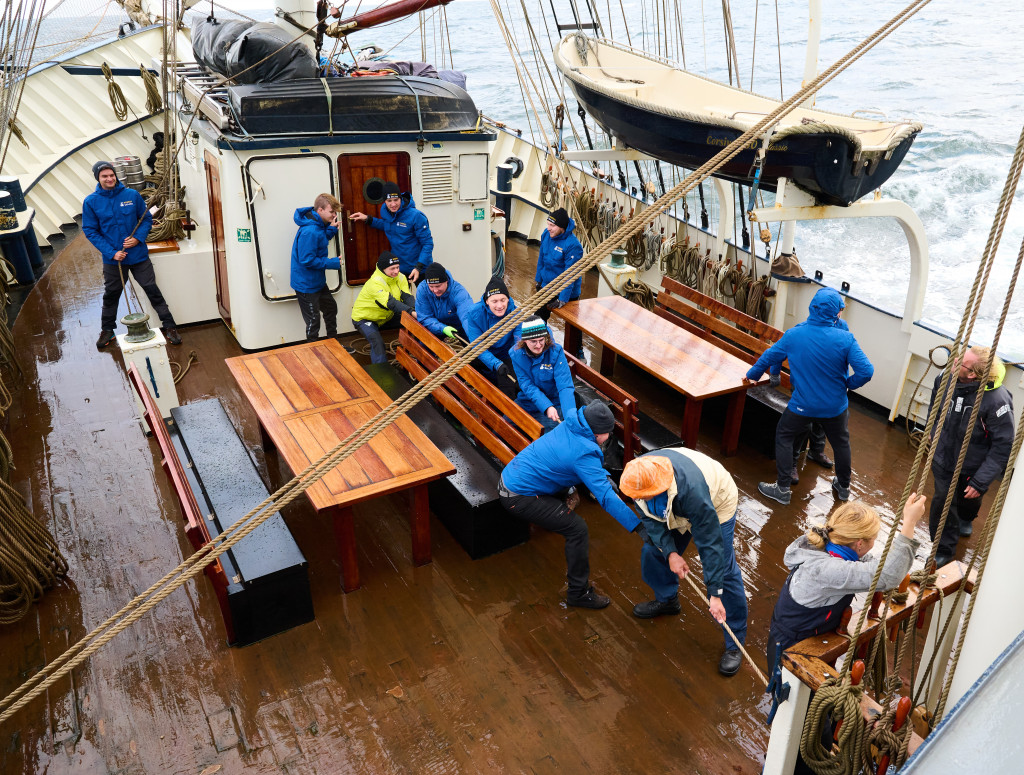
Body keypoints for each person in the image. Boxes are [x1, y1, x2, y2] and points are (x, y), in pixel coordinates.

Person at [498, 400, 642, 609]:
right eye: (607, 433)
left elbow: (577, 466)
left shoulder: (572, 422)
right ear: (596, 433)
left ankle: (552, 517)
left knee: (569, 492)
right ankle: (578, 593)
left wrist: (602, 476)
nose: (609, 436)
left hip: (511, 477)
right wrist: (638, 526)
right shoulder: (584, 453)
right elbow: (605, 497)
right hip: (517, 496)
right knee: (577, 529)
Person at [619, 449, 750, 676]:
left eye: (643, 496)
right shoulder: (636, 479)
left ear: (658, 487)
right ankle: (668, 600)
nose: (637, 498)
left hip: (716, 501)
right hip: (674, 505)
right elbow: (649, 519)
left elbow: (710, 544)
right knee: (653, 551)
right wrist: (671, 553)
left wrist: (714, 594)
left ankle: (735, 641)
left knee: (724, 571)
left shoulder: (693, 492)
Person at [766, 494, 926, 672]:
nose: (874, 543)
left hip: (802, 637)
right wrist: (909, 522)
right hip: (793, 651)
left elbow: (874, 566)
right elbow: (887, 575)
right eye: (874, 538)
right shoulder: (828, 569)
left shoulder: (831, 545)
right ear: (859, 543)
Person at [744, 287, 874, 505]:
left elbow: (769, 356)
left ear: (812, 308)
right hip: (835, 407)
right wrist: (848, 385)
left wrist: (752, 375)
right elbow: (866, 371)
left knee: (785, 436)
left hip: (802, 406)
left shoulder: (794, 335)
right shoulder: (846, 339)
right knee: (841, 444)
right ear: (836, 312)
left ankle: (783, 489)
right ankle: (843, 488)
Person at [926, 346, 1014, 567]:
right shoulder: (944, 379)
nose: (953, 361)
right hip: (944, 457)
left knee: (969, 500)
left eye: (960, 361)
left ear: (973, 374)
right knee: (943, 502)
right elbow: (935, 407)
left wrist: (980, 481)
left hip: (973, 465)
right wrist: (932, 430)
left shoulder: (996, 401)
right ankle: (943, 550)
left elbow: (1003, 445)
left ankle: (967, 517)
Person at [83, 160, 180, 349]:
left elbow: (146, 220)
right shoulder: (91, 202)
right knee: (111, 295)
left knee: (152, 290)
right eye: (104, 176)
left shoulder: (132, 195)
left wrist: (137, 238)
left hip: (138, 256)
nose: (109, 179)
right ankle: (107, 330)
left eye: (112, 175)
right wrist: (112, 253)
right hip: (114, 260)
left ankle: (170, 326)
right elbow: (90, 231)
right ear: (98, 178)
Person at [349, 182, 433, 283]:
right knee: (400, 294)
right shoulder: (385, 212)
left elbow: (428, 244)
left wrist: (418, 267)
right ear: (384, 201)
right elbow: (388, 225)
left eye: (396, 200)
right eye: (389, 201)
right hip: (399, 268)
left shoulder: (416, 216)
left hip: (420, 268)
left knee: (426, 293)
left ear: (400, 198)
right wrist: (368, 219)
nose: (393, 204)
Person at [509, 316, 577, 433]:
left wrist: (570, 417)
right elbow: (526, 385)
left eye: (541, 340)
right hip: (527, 402)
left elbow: (565, 386)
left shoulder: (556, 352)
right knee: (502, 428)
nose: (538, 345)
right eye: (533, 342)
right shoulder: (515, 354)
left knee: (551, 434)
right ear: (525, 341)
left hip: (554, 403)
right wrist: (546, 406)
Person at [291, 193, 341, 342]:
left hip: (317, 281)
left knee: (330, 308)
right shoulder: (310, 231)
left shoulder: (318, 226)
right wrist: (332, 263)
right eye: (332, 212)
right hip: (306, 285)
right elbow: (307, 260)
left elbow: (319, 241)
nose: (334, 215)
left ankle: (333, 345)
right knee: (313, 321)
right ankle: (313, 351)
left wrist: (331, 230)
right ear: (320, 210)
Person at [351, 251, 415, 364]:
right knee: (377, 342)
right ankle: (381, 371)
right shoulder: (375, 282)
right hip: (365, 319)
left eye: (397, 267)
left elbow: (407, 297)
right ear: (383, 269)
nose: (396, 271)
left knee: (415, 322)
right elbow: (391, 303)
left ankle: (418, 358)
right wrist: (411, 312)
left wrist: (415, 311)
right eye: (392, 268)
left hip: (386, 316)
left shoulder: (401, 277)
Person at [463, 277, 518, 398]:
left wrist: (513, 363)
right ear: (487, 301)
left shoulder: (516, 314)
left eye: (503, 300)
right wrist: (496, 364)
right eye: (494, 301)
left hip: (506, 354)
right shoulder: (474, 313)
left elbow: (518, 343)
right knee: (461, 369)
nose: (500, 305)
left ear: (508, 299)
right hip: (483, 352)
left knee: (510, 387)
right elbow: (478, 346)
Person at [534, 207, 583, 323]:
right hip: (548, 286)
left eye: (552, 225)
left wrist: (563, 299)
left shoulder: (573, 245)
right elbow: (541, 259)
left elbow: (570, 275)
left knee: (573, 324)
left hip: (568, 291)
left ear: (562, 227)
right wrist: (539, 281)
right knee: (538, 319)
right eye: (548, 224)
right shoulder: (546, 234)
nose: (548, 228)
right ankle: (540, 335)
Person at [415, 262, 474, 340]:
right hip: (433, 327)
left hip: (458, 328)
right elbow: (424, 317)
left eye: (438, 286)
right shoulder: (422, 289)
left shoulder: (459, 292)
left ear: (446, 281)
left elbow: (466, 317)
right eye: (431, 286)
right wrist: (443, 328)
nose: (435, 290)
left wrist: (474, 337)